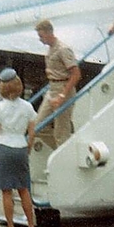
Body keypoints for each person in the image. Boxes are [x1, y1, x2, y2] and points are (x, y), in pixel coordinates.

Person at [0, 68, 37, 227]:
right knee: (24, 189)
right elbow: (32, 133)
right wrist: (27, 148)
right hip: (20, 148)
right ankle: (31, 225)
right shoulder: (28, 107)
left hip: (4, 147)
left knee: (6, 192)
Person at [34, 19, 81, 148]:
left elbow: (76, 74)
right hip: (52, 88)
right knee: (38, 126)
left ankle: (64, 156)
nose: (40, 39)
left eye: (41, 36)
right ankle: (61, 152)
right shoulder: (50, 49)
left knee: (61, 132)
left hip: (63, 89)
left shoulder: (63, 49)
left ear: (50, 33)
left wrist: (62, 96)